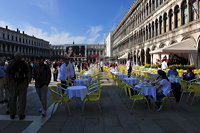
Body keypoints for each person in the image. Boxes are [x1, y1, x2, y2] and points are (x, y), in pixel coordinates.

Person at [5, 53, 31, 120]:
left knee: (12, 99)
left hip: (13, 83)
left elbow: (7, 73)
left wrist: (7, 83)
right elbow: (28, 73)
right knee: (22, 100)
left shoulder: (11, 63)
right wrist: (27, 82)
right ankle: (21, 114)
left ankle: (12, 114)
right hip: (22, 83)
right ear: (21, 57)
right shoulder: (24, 63)